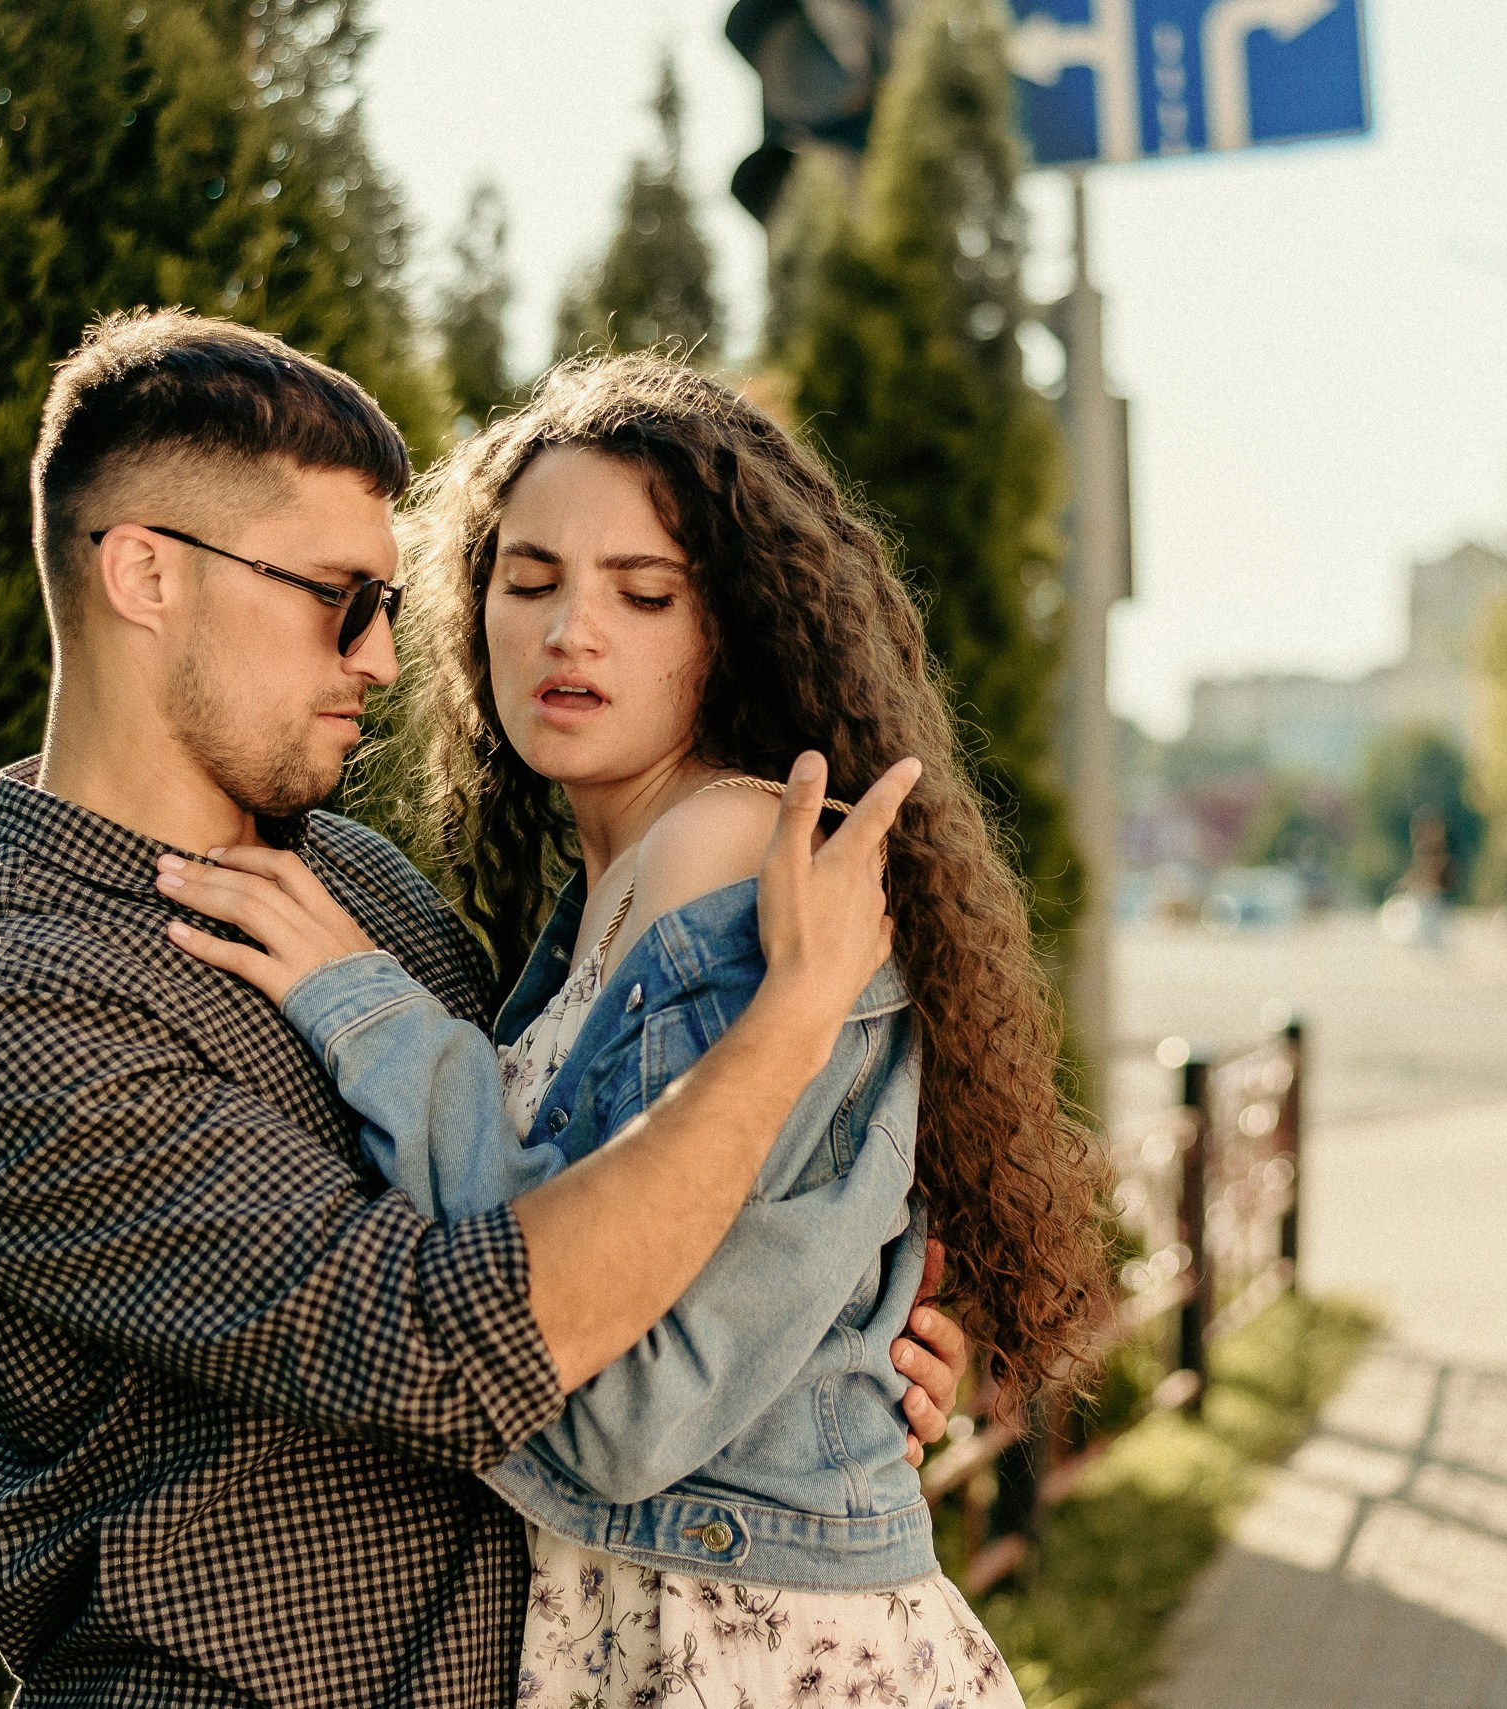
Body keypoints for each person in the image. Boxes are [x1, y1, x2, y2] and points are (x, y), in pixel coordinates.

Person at [0, 310, 963, 1706]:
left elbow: (580, 1195)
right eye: (340, 598)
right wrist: (785, 1031)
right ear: (144, 572)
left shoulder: (360, 888)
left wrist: (833, 1349)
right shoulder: (2, 1011)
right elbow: (463, 1339)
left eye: (389, 602)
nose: (384, 659)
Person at [152, 355, 1114, 1704]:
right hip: (664, 1627)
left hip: (754, 1653)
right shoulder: (605, 891)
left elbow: (618, 1403)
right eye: (529, 579)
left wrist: (368, 1016)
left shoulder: (726, 858)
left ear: (728, 625)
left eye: (642, 592)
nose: (571, 632)